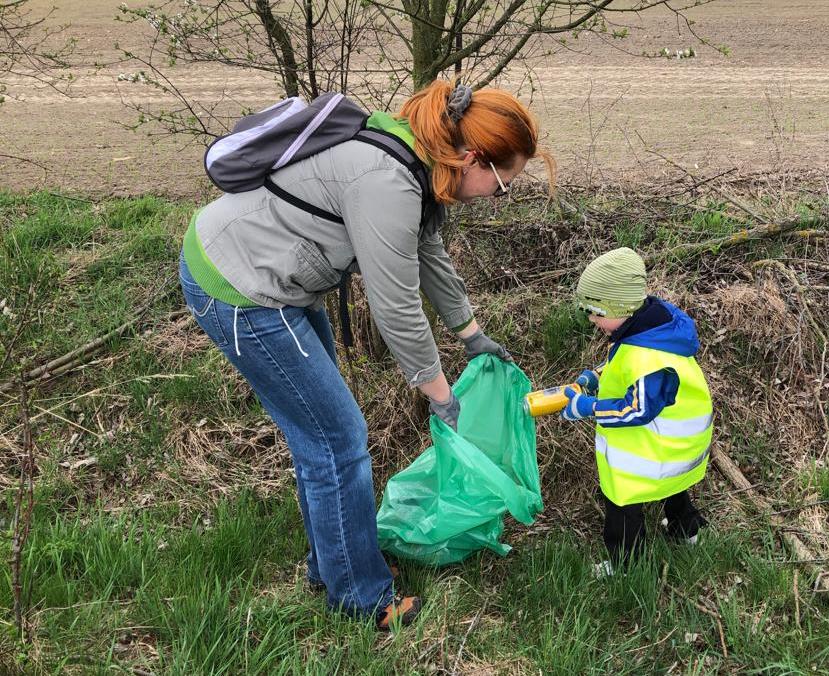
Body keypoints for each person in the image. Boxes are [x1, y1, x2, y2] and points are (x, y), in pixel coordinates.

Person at [178, 80, 552, 628]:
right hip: (239, 288)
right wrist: (439, 393)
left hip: (276, 284)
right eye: (502, 184)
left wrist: (470, 333)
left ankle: (330, 566)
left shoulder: (419, 166)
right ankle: (359, 597)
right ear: (473, 158)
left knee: (323, 437)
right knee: (338, 439)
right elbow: (396, 304)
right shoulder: (388, 182)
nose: (498, 196)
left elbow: (427, 254)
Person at [560, 247, 713, 576]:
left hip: (657, 449)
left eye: (596, 312)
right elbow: (626, 366)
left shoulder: (649, 356)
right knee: (675, 489)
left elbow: (636, 408)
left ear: (620, 307)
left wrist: (587, 407)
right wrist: (597, 376)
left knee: (622, 501)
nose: (592, 319)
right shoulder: (651, 330)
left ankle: (627, 562)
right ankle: (687, 530)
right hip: (676, 446)